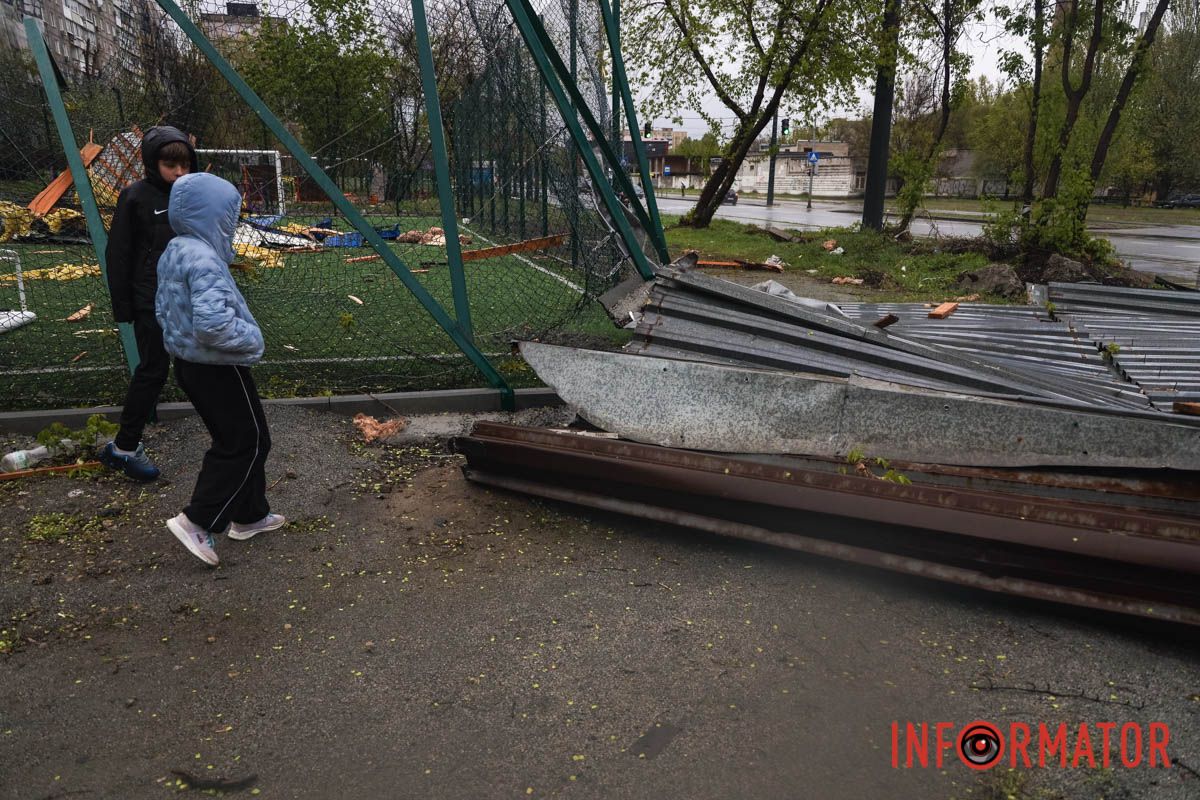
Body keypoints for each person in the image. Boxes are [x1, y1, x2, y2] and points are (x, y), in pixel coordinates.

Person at [155, 172, 284, 566]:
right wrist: (251, 340)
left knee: (248, 437)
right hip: (218, 366)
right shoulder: (204, 259)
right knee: (245, 443)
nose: (233, 222)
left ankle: (250, 515)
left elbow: (166, 308)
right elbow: (213, 325)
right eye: (230, 215)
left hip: (190, 364)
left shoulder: (176, 248)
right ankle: (198, 520)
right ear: (212, 216)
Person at [99, 126, 198, 481]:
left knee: (199, 366)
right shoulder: (135, 197)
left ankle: (227, 437)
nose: (179, 172)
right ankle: (125, 447)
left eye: (185, 165)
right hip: (150, 300)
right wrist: (124, 306)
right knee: (153, 370)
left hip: (188, 298)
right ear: (153, 162)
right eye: (171, 165)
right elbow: (119, 254)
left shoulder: (192, 194)